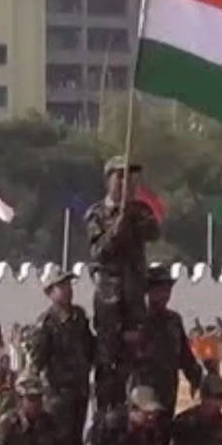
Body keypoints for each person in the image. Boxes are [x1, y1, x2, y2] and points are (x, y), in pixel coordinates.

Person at [87, 155, 160, 411]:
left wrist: (132, 215)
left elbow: (154, 233)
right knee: (108, 362)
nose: (127, 182)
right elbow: (99, 253)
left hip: (135, 296)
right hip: (109, 298)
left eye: (132, 178)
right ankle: (105, 416)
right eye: (121, 176)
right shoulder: (97, 214)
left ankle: (137, 412)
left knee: (137, 358)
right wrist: (117, 226)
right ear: (109, 179)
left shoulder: (140, 210)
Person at [31, 268, 95, 445]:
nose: (68, 289)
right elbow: (36, 362)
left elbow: (90, 348)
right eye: (61, 285)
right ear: (50, 292)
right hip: (57, 398)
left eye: (69, 284)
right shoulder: (45, 324)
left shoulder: (79, 317)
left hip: (79, 395)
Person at [140, 264, 203, 416]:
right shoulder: (137, 321)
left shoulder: (173, 321)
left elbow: (185, 356)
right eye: (159, 289)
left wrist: (196, 378)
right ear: (148, 291)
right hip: (142, 393)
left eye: (167, 289)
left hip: (167, 391)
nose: (164, 294)